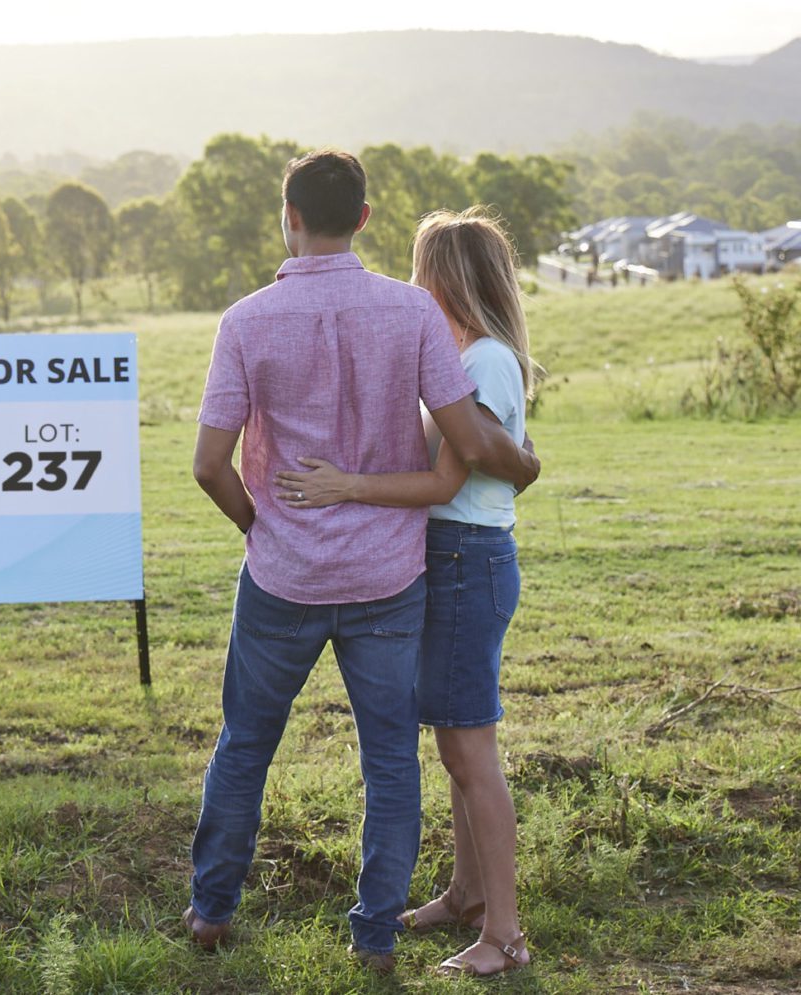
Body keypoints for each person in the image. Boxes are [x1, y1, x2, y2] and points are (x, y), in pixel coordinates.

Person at [187, 152, 539, 972]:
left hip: (284, 577)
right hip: (389, 576)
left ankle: (211, 911)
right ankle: (375, 934)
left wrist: (261, 525)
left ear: (290, 213)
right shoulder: (413, 312)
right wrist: (523, 462)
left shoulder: (244, 320)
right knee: (389, 760)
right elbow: (465, 439)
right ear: (368, 218)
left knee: (244, 745)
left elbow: (209, 464)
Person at [274, 207, 535, 978]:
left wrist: (343, 485)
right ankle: (465, 893)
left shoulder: (483, 362)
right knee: (456, 741)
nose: (414, 285)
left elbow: (446, 477)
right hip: (454, 556)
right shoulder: (473, 358)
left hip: (464, 557)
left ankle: (507, 934)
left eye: (423, 269)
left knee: (468, 747)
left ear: (446, 278)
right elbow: (491, 457)